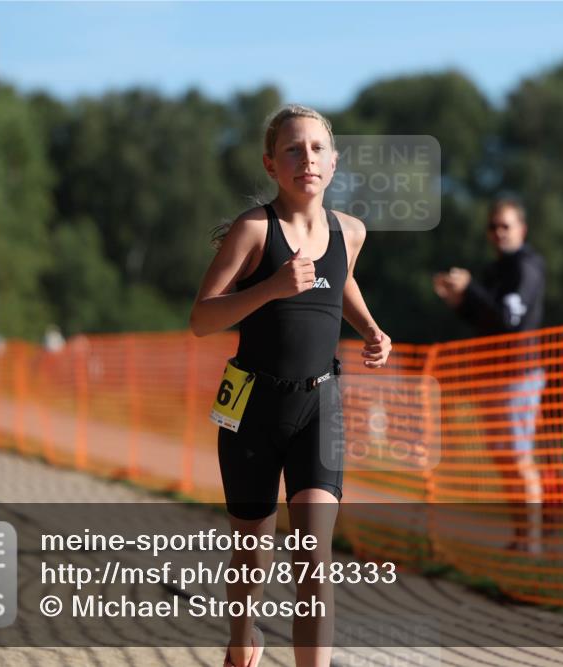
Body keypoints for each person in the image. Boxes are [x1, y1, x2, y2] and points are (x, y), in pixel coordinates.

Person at [190, 104, 391, 667]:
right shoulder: (254, 230)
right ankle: (242, 638)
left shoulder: (350, 231)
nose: (307, 158)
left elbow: (340, 282)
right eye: (293, 150)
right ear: (271, 165)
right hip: (253, 404)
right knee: (251, 551)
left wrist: (372, 328)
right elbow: (202, 319)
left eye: (318, 148)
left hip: (320, 403)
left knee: (313, 558)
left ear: (333, 162)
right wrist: (272, 287)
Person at [433, 197, 546, 554]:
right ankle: (521, 534)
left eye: (505, 226)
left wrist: (471, 289)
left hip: (519, 375)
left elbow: (509, 319)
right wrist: (459, 301)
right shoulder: (496, 269)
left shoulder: (526, 267)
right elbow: (487, 320)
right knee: (502, 456)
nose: (498, 233)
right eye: (493, 226)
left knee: (517, 455)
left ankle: (534, 539)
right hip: (493, 374)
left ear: (521, 230)